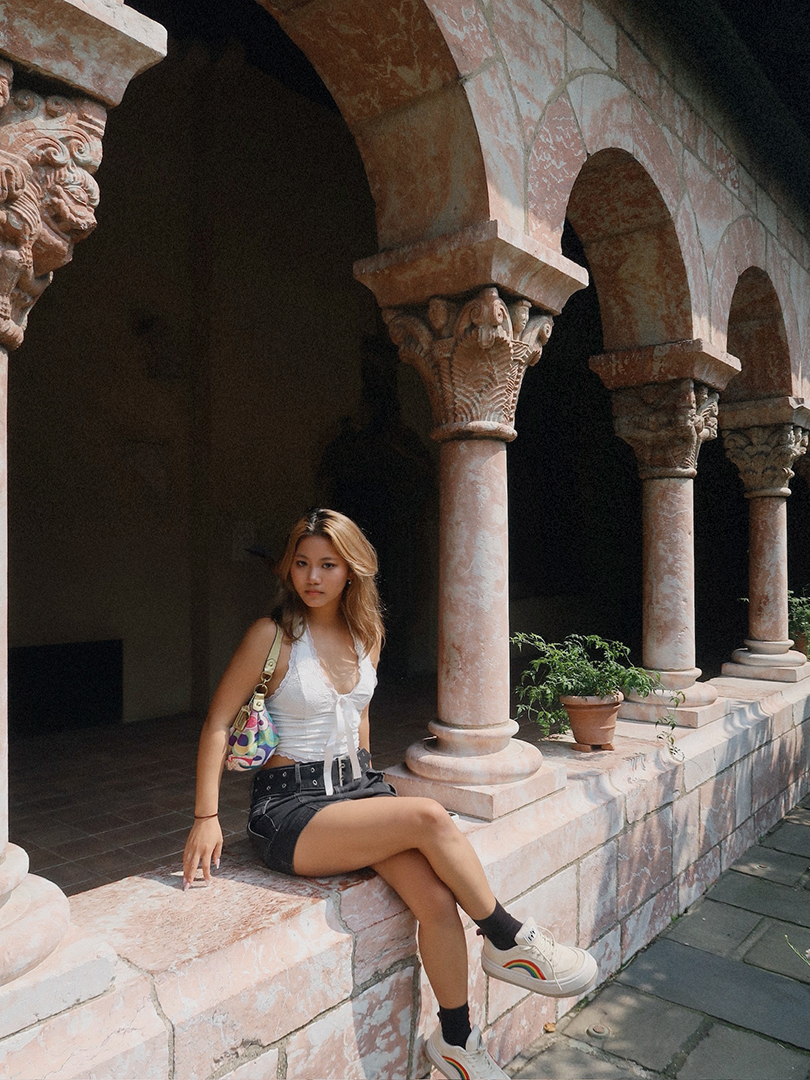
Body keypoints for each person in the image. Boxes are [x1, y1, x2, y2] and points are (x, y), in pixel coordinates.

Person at [183, 508, 597, 1080]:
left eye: (327, 564)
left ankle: (456, 1043)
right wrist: (206, 815)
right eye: (302, 563)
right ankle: (507, 937)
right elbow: (215, 723)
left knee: (434, 898)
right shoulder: (272, 636)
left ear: (350, 571)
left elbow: (360, 724)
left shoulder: (365, 636)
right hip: (288, 809)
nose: (313, 576)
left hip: (353, 791)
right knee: (428, 815)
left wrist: (370, 800)